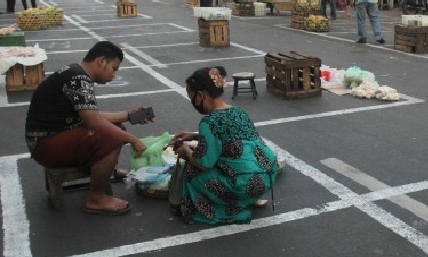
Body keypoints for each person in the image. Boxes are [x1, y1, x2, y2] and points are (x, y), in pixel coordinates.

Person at [25, 41, 151, 216]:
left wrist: (129, 115)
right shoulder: (78, 78)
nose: (114, 75)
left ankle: (106, 171)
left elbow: (92, 116)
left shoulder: (75, 73)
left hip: (53, 137)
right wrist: (133, 140)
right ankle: (96, 198)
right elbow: (93, 121)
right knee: (112, 137)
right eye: (113, 68)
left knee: (115, 129)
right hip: (45, 144)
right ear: (101, 61)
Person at [169, 66, 279, 225]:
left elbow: (203, 163)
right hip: (266, 179)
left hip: (243, 184)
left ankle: (227, 209)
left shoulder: (209, 121)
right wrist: (194, 136)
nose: (193, 102)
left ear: (201, 95)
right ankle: (249, 199)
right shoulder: (238, 111)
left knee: (192, 170)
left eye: (191, 96)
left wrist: (185, 150)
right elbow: (230, 137)